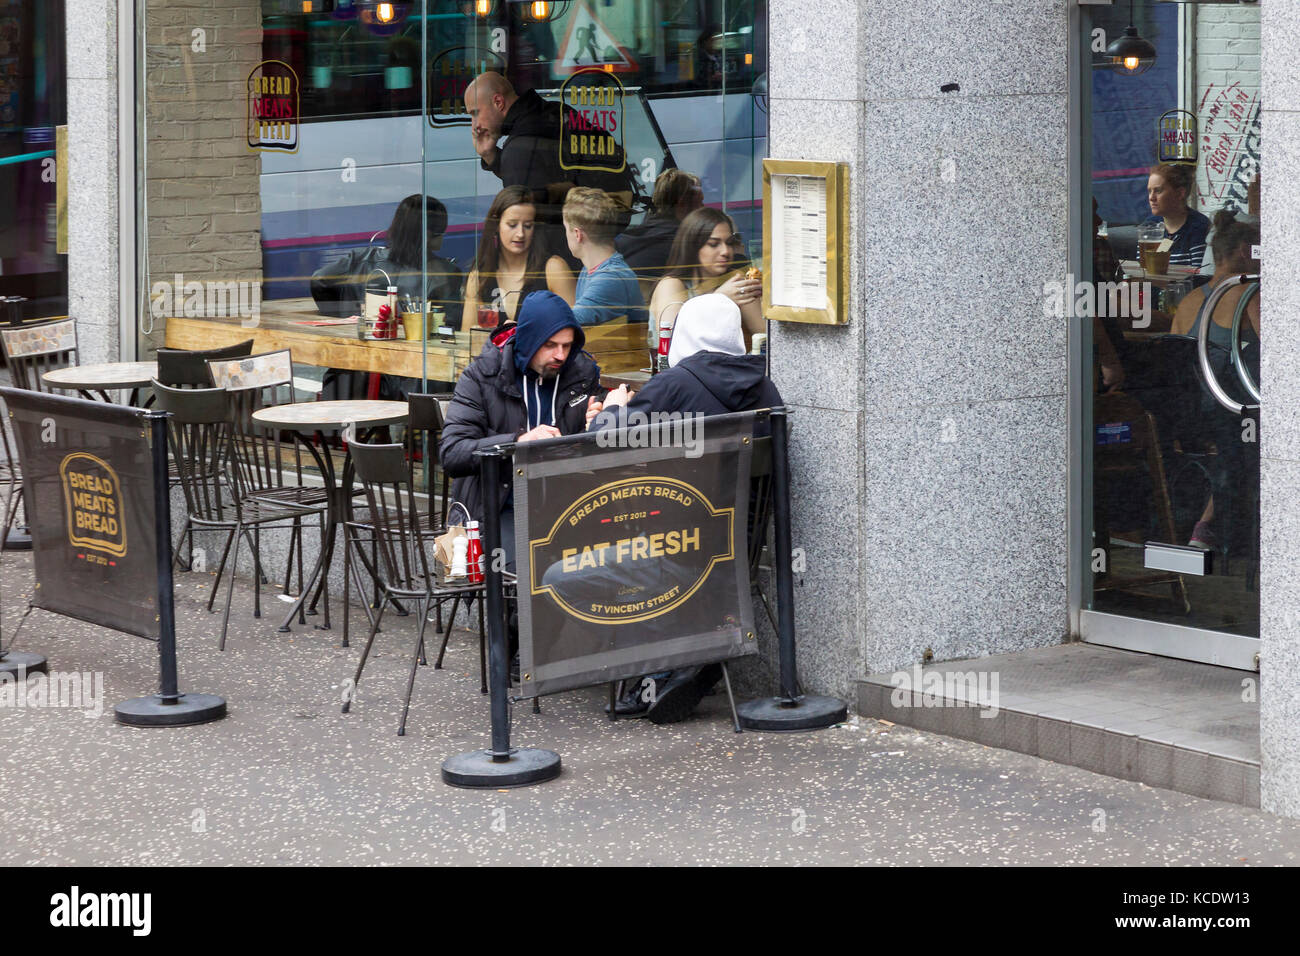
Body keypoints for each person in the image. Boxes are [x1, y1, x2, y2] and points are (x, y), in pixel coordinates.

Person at [589, 293, 783, 722]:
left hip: (677, 550)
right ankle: (692, 652)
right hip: (741, 554)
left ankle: (671, 663)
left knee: (566, 570)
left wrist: (613, 411)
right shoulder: (766, 385)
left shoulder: (675, 384)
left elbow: (604, 445)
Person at [439, 290, 605, 567]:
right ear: (528, 342)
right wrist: (519, 441)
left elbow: (597, 422)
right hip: (499, 508)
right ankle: (512, 611)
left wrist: (602, 411)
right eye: (550, 345)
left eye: (567, 345)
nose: (560, 355)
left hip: (569, 508)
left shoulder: (581, 374)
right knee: (530, 572)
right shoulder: (481, 376)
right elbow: (453, 454)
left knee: (613, 562)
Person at [464, 72, 635, 254]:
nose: (475, 124)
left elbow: (532, 223)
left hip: (570, 250)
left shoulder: (520, 146)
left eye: (475, 113)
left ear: (498, 102)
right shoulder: (556, 111)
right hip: (606, 224)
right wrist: (491, 156)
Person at [1169, 210, 1261, 551]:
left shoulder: (1189, 301)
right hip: (1226, 418)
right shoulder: (1248, 292)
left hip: (1188, 419)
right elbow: (1281, 352)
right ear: (1243, 252)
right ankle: (1209, 525)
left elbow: (1173, 364)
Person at [321, 194, 463, 400]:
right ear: (429, 234)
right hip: (414, 378)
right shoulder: (445, 273)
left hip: (362, 373)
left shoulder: (361, 259)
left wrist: (348, 314)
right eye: (441, 232)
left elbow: (320, 281)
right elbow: (450, 329)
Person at [649, 206, 763, 356]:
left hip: (726, 372)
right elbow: (671, 340)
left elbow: (767, 336)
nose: (725, 252)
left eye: (729, 243)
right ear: (693, 246)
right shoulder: (672, 284)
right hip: (681, 374)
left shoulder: (735, 282)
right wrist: (718, 299)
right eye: (714, 244)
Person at [462, 186, 576, 330]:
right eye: (512, 225)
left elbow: (575, 331)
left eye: (528, 226)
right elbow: (467, 338)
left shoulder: (554, 269)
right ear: (496, 225)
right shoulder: (479, 276)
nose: (520, 233)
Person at [563, 187, 648, 327]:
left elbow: (566, 323)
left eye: (566, 229)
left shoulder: (610, 278)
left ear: (577, 234)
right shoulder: (590, 270)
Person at [615, 168, 703, 291]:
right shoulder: (687, 244)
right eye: (700, 202)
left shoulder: (625, 241)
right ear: (682, 204)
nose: (703, 208)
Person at [1141, 163, 1210, 270]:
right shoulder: (1149, 225)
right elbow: (1142, 271)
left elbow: (1199, 276)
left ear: (1179, 194)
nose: (1151, 197)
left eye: (1158, 191)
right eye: (1149, 191)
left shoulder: (1199, 226)